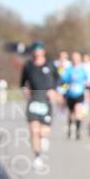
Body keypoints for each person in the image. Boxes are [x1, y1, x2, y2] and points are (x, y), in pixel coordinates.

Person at [19, 41, 59, 171]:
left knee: (43, 132)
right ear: (32, 52)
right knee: (33, 130)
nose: (37, 51)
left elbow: (59, 80)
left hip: (46, 101)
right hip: (34, 100)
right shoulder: (28, 66)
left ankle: (43, 139)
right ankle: (37, 157)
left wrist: (54, 90)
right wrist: (25, 89)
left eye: (39, 49)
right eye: (35, 49)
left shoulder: (51, 64)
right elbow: (23, 83)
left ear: (43, 51)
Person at [61, 51, 90, 139]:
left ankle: (78, 132)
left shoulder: (83, 70)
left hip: (79, 94)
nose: (75, 60)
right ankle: (70, 129)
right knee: (71, 113)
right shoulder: (69, 69)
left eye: (77, 59)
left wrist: (86, 90)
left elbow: (88, 80)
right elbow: (63, 80)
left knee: (78, 112)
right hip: (70, 94)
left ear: (79, 59)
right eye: (74, 59)